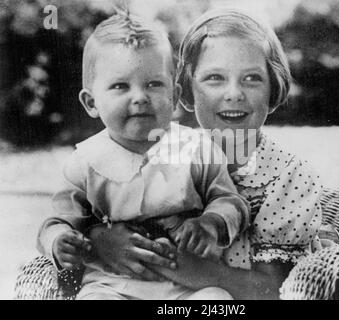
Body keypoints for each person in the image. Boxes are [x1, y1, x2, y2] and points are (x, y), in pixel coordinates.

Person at [87, 8, 325, 300]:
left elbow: (278, 291)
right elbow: (104, 206)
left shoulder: (287, 177)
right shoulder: (164, 151)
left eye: (252, 78)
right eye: (214, 78)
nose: (234, 93)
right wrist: (101, 239)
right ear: (185, 89)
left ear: (273, 85)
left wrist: (185, 268)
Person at [36, 11, 250, 300]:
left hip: (188, 286)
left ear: (174, 97)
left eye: (153, 84)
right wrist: (60, 241)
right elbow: (59, 221)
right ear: (91, 102)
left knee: (217, 301)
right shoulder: (85, 162)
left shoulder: (195, 148)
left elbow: (231, 200)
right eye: (120, 86)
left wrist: (211, 223)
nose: (139, 97)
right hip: (113, 284)